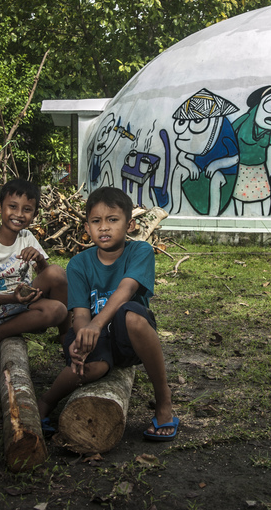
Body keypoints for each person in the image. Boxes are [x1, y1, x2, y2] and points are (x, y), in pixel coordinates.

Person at [37, 187, 177, 441]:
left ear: (130, 225)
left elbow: (127, 289)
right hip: (94, 336)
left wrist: (97, 324)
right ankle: (46, 402)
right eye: (96, 221)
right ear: (87, 227)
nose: (104, 227)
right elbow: (80, 314)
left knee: (131, 314)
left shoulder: (140, 251)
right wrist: (83, 336)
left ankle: (163, 399)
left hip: (127, 338)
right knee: (91, 368)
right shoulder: (79, 263)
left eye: (112, 220)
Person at [0, 178, 68, 361]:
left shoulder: (27, 237)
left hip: (25, 302)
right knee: (57, 310)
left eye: (27, 209)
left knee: (57, 272)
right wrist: (12, 298)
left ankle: (66, 338)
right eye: (12, 207)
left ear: (34, 214)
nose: (19, 214)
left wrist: (39, 259)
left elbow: (47, 277)